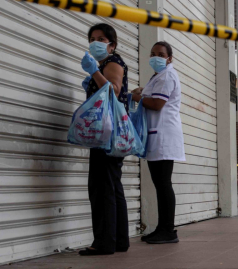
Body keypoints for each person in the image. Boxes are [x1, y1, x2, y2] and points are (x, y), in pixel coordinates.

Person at [79, 23, 130, 256]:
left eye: (101, 38)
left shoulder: (112, 63)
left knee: (101, 188)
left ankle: (103, 242)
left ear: (112, 44)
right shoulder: (107, 64)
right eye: (92, 38)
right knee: (112, 186)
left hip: (105, 133)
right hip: (111, 132)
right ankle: (118, 240)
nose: (95, 42)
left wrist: (94, 73)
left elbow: (114, 91)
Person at [131, 41, 185, 244]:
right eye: (153, 53)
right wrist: (143, 91)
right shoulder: (160, 76)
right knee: (160, 184)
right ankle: (162, 228)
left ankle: (168, 231)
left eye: (161, 54)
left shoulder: (168, 75)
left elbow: (157, 103)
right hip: (158, 135)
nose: (156, 57)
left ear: (169, 58)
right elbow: (153, 96)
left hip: (164, 136)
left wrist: (136, 96)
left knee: (163, 184)